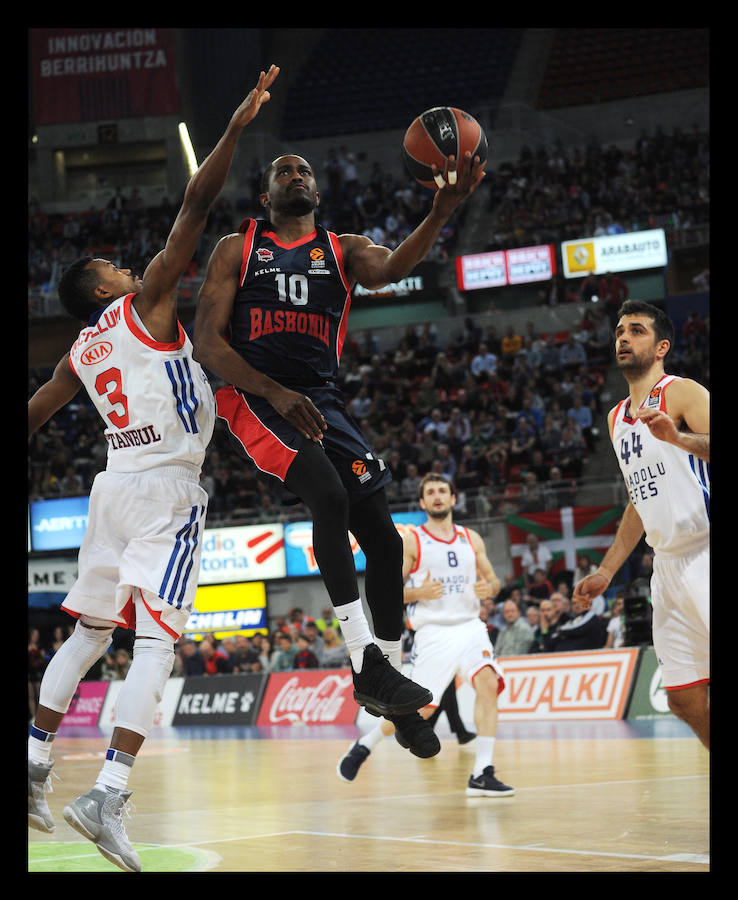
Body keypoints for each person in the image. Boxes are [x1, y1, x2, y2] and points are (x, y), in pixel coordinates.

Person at [26, 66, 282, 871]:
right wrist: (235, 128)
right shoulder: (142, 307)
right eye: (117, 267)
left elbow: (33, 414)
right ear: (102, 286)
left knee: (92, 634)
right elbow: (195, 208)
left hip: (109, 489)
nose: (132, 270)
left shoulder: (80, 347)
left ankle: (32, 758)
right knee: (158, 647)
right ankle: (108, 789)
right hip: (166, 487)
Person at [192, 109, 486, 758]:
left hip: (323, 400)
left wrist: (441, 211)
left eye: (304, 170)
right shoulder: (237, 248)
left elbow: (390, 267)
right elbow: (207, 344)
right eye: (281, 171)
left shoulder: (343, 249)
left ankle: (385, 680)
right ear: (266, 197)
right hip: (253, 394)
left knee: (382, 541)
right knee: (326, 498)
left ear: (316, 194)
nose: (294, 174)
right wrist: (270, 390)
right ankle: (366, 664)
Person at [574, 300, 709, 749]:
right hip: (667, 568)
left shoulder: (682, 391)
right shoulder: (615, 418)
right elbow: (639, 498)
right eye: (619, 332)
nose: (624, 338)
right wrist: (606, 571)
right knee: (683, 699)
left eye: (636, 330)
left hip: (706, 549)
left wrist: (680, 438)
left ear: (662, 346)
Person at [336, 474, 514, 798]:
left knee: (489, 684)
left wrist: (492, 588)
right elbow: (387, 592)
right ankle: (364, 745)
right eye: (430, 492)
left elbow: (495, 581)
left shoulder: (471, 538)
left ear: (453, 498)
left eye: (442, 491)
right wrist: (419, 591)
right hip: (433, 632)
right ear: (422, 502)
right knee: (419, 710)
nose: (436, 496)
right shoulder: (412, 541)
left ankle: (482, 771)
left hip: (471, 626)